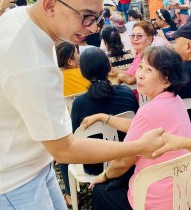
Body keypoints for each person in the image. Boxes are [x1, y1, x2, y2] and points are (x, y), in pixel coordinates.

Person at [0, 0, 164, 209]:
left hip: (28, 165)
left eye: (97, 16)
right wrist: (139, 146)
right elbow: (65, 150)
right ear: (50, 5)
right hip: (8, 183)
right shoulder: (30, 64)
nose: (94, 27)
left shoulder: (19, 16)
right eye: (86, 16)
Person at [84, 46, 191, 209]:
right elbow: (139, 127)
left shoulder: (148, 111)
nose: (140, 75)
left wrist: (104, 175)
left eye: (149, 70)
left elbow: (122, 162)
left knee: (101, 190)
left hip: (159, 201)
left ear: (167, 80)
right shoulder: (175, 99)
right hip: (186, 191)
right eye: (140, 67)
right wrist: (105, 117)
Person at [59, 47, 139, 206]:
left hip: (94, 165)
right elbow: (137, 128)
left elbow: (75, 138)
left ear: (83, 72)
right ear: (109, 67)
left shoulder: (80, 104)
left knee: (63, 149)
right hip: (128, 158)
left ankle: (69, 195)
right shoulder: (126, 92)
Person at [112, 21, 154, 85]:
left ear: (150, 38)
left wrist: (117, 73)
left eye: (139, 36)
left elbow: (130, 79)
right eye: (133, 35)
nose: (135, 39)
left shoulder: (148, 56)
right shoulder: (140, 54)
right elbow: (132, 74)